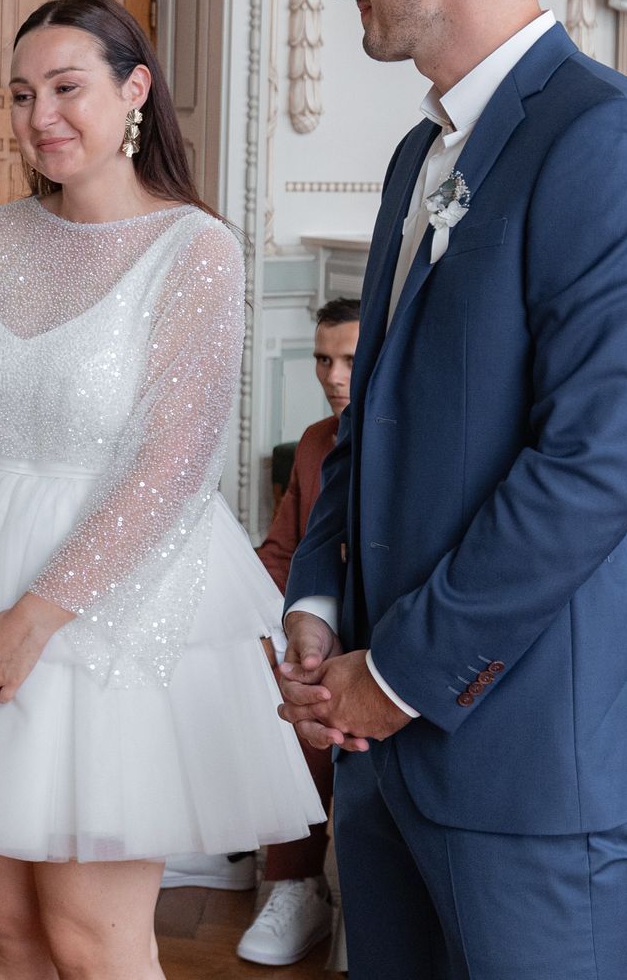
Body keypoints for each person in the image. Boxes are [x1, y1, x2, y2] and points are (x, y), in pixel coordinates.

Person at [274, 0, 627, 979]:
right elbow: (380, 414)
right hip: (380, 736)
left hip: (530, 753)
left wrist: (400, 676)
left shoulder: (611, 141)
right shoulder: (422, 151)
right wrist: (317, 604)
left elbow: (593, 468)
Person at [0, 0, 322, 980]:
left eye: (64, 87)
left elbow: (175, 465)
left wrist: (34, 619)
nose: (38, 114)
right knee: (7, 929)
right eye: (18, 93)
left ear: (134, 90)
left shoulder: (196, 249)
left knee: (95, 938)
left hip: (109, 610)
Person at [218, 297, 360, 967]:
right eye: (323, 359)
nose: (335, 376)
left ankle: (326, 889)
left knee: (314, 694)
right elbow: (280, 552)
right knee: (249, 667)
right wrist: (232, 620)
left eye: (352, 360)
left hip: (373, 640)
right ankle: (266, 865)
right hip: (311, 630)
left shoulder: (415, 445)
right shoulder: (313, 443)